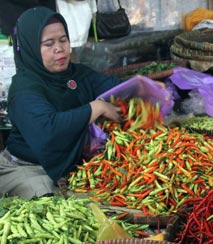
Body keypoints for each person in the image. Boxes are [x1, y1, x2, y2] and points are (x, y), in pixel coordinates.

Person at [0, 6, 124, 199]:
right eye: (49, 44)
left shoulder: (78, 74)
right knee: (48, 202)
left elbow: (119, 90)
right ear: (32, 48)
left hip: (70, 161)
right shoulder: (24, 89)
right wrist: (95, 108)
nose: (59, 48)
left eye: (63, 40)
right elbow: (48, 131)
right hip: (27, 167)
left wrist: (150, 88)